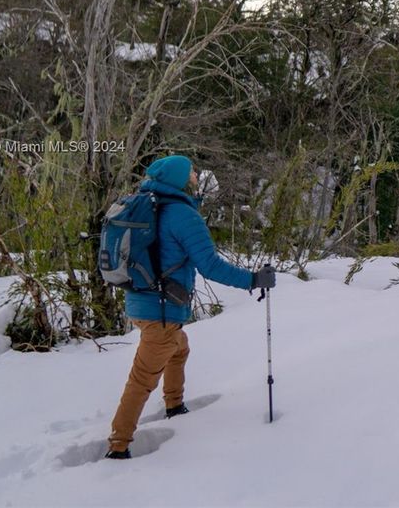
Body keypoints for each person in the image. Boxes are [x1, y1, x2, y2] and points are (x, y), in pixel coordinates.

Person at [105, 154, 276, 459]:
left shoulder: (149, 204)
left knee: (179, 348)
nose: (197, 177)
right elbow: (210, 265)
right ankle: (118, 447)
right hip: (160, 310)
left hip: (141, 303)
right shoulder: (183, 215)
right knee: (142, 378)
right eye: (192, 174)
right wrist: (253, 279)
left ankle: (174, 405)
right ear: (180, 181)